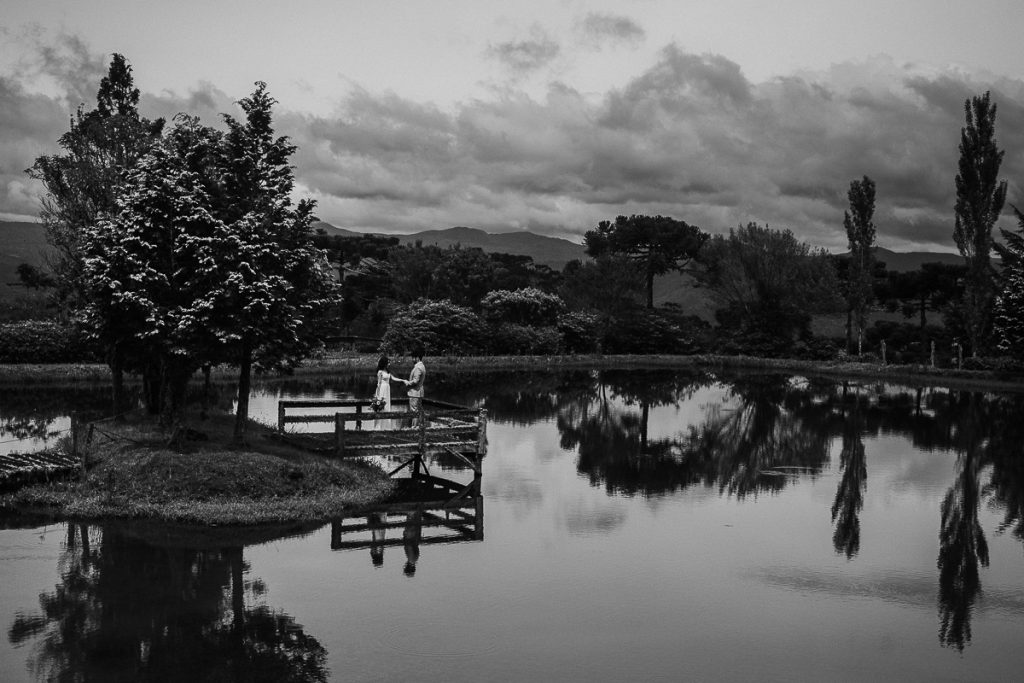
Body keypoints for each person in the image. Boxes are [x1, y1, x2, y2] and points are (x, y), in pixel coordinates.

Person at [373, 355, 406, 430]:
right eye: (388, 362)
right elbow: (378, 384)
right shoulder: (380, 372)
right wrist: (377, 396)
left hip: (387, 389)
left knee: (387, 405)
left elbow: (393, 378)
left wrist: (402, 380)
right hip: (382, 389)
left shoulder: (387, 371)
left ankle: (386, 426)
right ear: (384, 363)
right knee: (382, 406)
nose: (389, 364)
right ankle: (380, 427)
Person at [406, 344, 426, 424]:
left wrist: (407, 383)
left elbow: (415, 381)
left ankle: (414, 428)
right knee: (417, 410)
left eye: (413, 357)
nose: (412, 359)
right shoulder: (422, 366)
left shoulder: (418, 367)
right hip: (419, 392)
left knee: (414, 411)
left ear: (417, 357)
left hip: (415, 393)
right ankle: (417, 427)